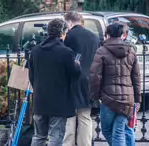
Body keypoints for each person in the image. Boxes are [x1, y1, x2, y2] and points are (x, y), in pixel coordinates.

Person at [29, 18, 81, 146]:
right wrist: (77, 65)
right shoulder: (65, 52)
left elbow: (31, 76)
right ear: (63, 33)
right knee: (55, 137)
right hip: (58, 102)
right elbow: (74, 74)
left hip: (40, 100)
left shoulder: (35, 51)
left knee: (39, 136)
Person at [89, 22, 141, 146]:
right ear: (122, 34)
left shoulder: (101, 51)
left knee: (107, 131)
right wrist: (137, 100)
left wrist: (95, 96)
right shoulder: (131, 51)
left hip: (109, 98)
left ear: (108, 34)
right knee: (119, 131)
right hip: (127, 99)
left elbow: (95, 76)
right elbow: (136, 78)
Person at [63, 11, 100, 146]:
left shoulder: (68, 37)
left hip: (71, 79)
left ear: (70, 22)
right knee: (85, 116)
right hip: (88, 80)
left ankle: (68, 144)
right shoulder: (94, 38)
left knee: (70, 117)